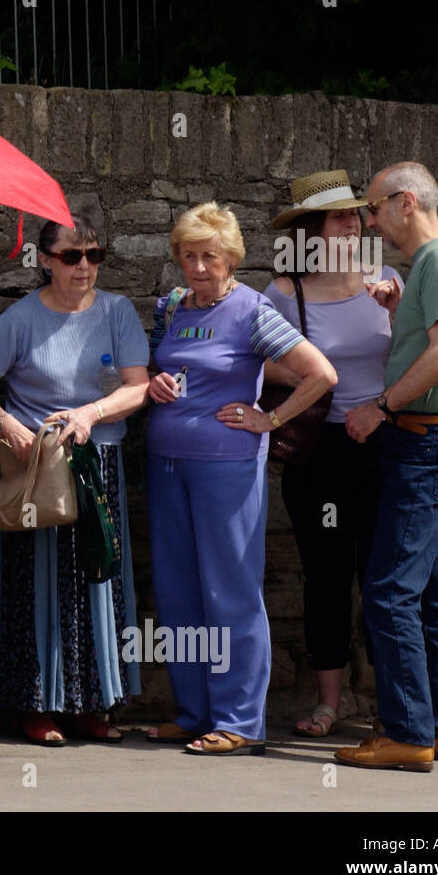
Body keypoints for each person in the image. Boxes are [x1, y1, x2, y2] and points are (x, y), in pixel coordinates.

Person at [144, 202, 336, 756]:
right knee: (177, 592)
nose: (199, 267)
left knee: (230, 591)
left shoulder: (253, 310)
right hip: (165, 463)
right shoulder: (170, 306)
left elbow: (321, 373)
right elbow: (164, 367)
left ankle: (239, 720)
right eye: (189, 256)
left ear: (231, 258)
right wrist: (158, 384)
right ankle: (193, 712)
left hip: (227, 465)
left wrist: (270, 419)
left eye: (210, 256)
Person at [0, 213, 149, 746]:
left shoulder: (118, 313)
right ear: (45, 260)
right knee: (36, 584)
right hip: (36, 469)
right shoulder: (21, 318)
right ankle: (35, 705)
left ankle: (92, 705)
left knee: (98, 582)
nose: (85, 267)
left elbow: (138, 387)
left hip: (98, 464)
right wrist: (11, 428)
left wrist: (91, 414)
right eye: (72, 256)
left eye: (94, 255)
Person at [336, 161, 438, 772]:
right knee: (429, 592)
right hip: (436, 441)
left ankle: (407, 733)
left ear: (404, 202)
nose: (369, 221)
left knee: (389, 591)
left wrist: (379, 406)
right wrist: (401, 312)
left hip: (424, 443)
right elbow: (433, 343)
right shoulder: (435, 266)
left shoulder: (437, 259)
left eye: (372, 209)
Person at [263, 170, 403, 738]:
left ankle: (395, 706)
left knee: (385, 576)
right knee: (325, 575)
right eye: (341, 217)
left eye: (354, 215)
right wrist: (309, 372)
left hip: (384, 444)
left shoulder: (388, 278)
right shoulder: (283, 291)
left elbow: (422, 353)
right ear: (312, 230)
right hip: (320, 450)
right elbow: (257, 363)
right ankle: (329, 703)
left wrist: (395, 310)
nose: (354, 223)